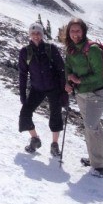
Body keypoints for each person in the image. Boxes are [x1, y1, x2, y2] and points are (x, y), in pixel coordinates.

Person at [63, 17, 103, 178]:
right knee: (92, 126)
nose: (75, 34)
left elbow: (99, 75)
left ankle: (100, 166)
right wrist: (68, 82)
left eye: (78, 30)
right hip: (81, 93)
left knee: (91, 126)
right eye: (72, 31)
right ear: (68, 33)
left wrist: (79, 80)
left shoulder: (93, 49)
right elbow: (67, 67)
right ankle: (96, 158)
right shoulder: (70, 49)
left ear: (83, 31)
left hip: (97, 93)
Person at [18, 22, 67, 156]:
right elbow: (22, 74)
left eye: (38, 33)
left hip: (53, 87)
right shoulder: (25, 52)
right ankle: (35, 138)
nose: (36, 36)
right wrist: (22, 94)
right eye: (33, 33)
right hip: (37, 89)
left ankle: (55, 144)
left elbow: (62, 70)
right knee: (25, 114)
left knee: (55, 115)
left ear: (42, 34)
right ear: (30, 35)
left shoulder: (51, 49)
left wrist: (64, 92)